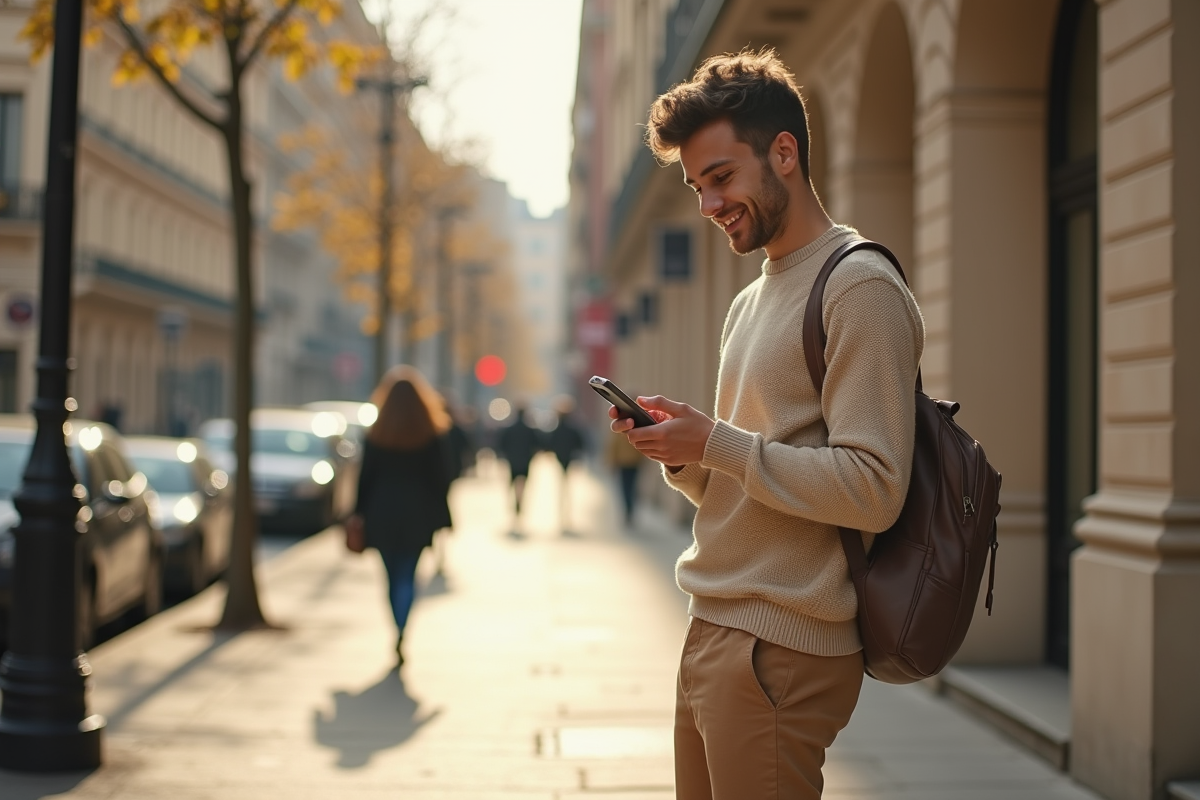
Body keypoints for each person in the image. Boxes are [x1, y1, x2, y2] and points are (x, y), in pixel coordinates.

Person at [610, 49, 924, 799]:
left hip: (782, 644)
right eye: (696, 187)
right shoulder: (752, 300)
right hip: (714, 627)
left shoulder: (859, 287)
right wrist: (683, 454)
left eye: (720, 178)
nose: (708, 204)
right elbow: (754, 485)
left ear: (784, 152)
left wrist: (716, 442)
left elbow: (875, 487)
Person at [351, 366, 454, 667]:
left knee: (390, 576)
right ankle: (402, 629)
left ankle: (396, 626)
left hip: (381, 513)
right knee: (408, 575)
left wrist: (357, 513)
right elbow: (442, 478)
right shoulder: (431, 433)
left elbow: (364, 478)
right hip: (418, 514)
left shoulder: (377, 433)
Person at [546, 395, 586, 532]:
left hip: (561, 459)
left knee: (563, 487)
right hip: (568, 459)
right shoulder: (573, 428)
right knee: (567, 488)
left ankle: (563, 515)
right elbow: (580, 444)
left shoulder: (557, 429)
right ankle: (566, 515)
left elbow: (549, 444)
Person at [496, 404, 542, 518]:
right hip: (525, 460)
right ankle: (519, 501)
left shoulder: (509, 428)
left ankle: (514, 502)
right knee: (522, 483)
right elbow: (537, 445)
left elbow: (502, 445)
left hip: (512, 460)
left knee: (512, 483)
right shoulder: (530, 429)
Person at [606, 431, 642, 528]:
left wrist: (612, 463)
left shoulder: (619, 432)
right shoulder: (634, 431)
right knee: (631, 487)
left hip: (625, 463)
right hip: (633, 463)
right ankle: (629, 509)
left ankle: (628, 509)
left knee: (626, 488)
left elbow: (614, 447)